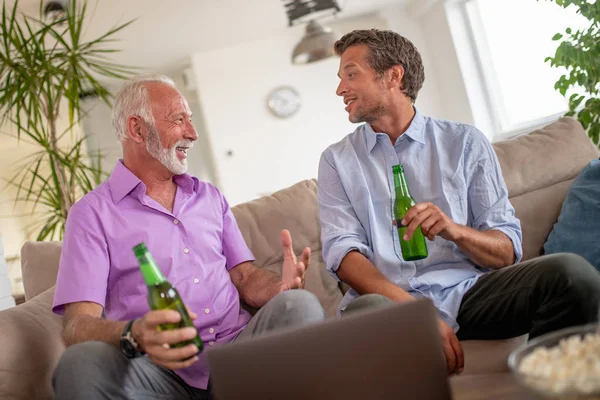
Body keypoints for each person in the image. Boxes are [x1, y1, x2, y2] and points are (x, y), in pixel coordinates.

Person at [318, 29, 600, 376]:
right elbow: (343, 254)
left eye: (351, 74)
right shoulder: (337, 160)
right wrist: (413, 313)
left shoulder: (465, 143)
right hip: (389, 305)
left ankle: (549, 386)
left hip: (467, 293)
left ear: (393, 75)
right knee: (366, 315)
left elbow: (506, 250)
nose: (340, 89)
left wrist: (455, 231)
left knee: (571, 275)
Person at [52, 74, 325, 400]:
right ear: (138, 129)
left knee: (299, 305)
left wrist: (279, 288)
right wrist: (134, 333)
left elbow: (245, 276)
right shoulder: (91, 214)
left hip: (239, 352)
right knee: (79, 363)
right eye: (178, 120)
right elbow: (77, 324)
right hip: (157, 369)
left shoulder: (208, 197)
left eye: (190, 120)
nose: (192, 134)